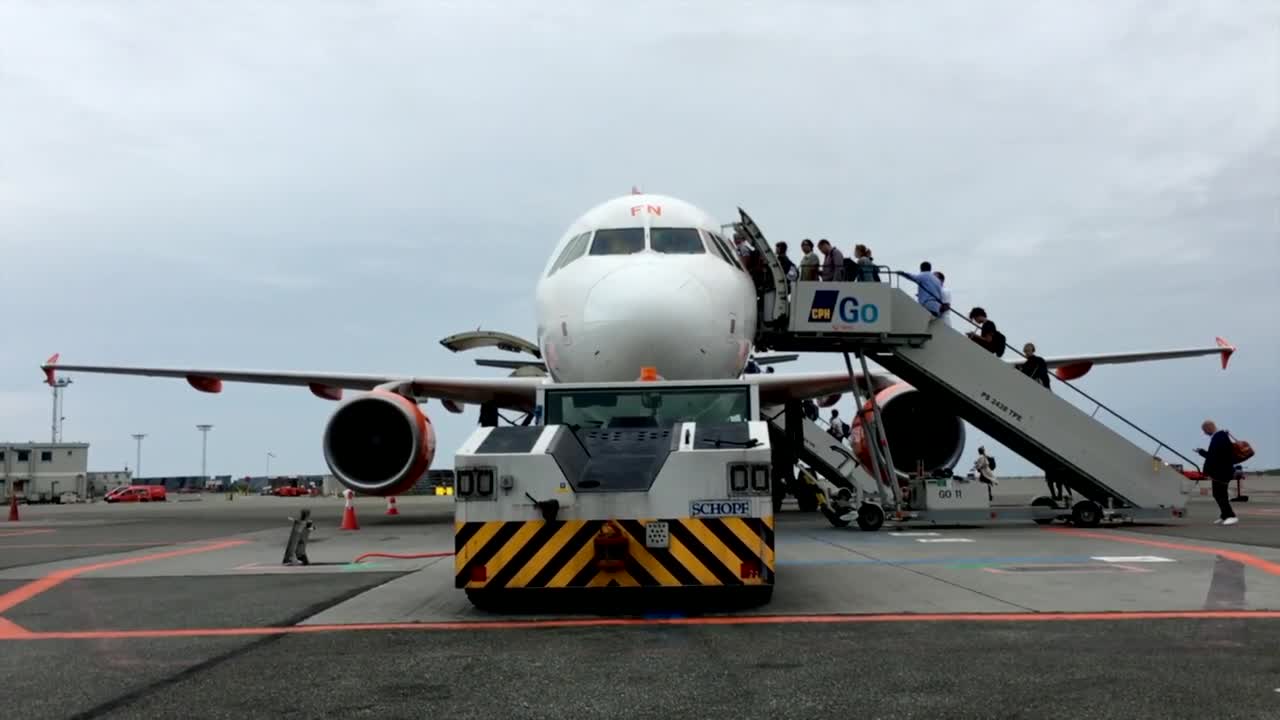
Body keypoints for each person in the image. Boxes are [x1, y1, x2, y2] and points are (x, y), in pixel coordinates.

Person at [1196, 420, 1238, 525]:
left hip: (1222, 472)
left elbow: (1216, 456)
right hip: (1219, 472)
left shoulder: (1220, 437)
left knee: (1221, 494)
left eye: (1204, 430)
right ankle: (1224, 515)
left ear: (1209, 428)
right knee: (1217, 494)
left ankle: (1231, 516)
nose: (1204, 433)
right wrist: (1201, 452)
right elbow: (1214, 455)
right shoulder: (1218, 437)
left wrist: (1202, 453)